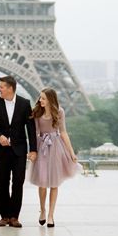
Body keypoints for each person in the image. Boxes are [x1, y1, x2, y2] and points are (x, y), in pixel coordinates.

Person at [0, 75, 37, 227]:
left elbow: (31, 128)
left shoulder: (25, 103)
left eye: (2, 86)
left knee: (18, 182)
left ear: (10, 88)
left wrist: (33, 149)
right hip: (1, 150)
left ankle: (14, 216)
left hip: (19, 150)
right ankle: (4, 216)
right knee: (3, 183)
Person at [28, 87, 78, 227]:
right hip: (41, 146)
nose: (40, 100)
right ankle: (43, 210)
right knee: (42, 182)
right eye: (40, 98)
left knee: (54, 183)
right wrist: (32, 151)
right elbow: (35, 133)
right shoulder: (37, 112)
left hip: (56, 147)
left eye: (43, 98)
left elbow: (63, 132)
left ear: (50, 100)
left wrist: (72, 152)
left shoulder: (59, 112)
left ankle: (51, 215)